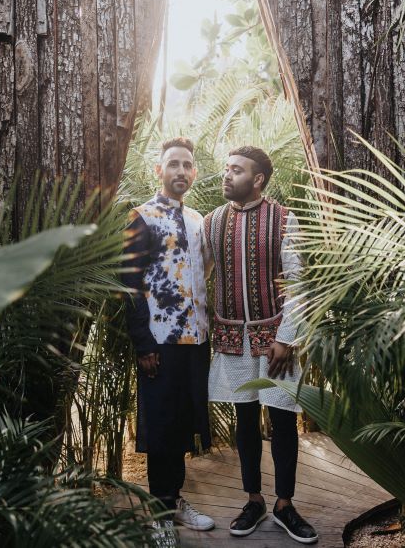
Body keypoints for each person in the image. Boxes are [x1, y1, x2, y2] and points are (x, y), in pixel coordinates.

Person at [203, 146, 318, 544]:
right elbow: (199, 278)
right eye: (226, 168)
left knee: (283, 420)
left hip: (276, 340)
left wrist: (287, 339)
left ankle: (285, 505)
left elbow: (298, 282)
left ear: (258, 180)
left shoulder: (285, 219)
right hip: (233, 340)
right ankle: (254, 500)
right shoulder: (211, 222)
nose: (227, 175)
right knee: (245, 421)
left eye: (236, 170)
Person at [123, 137, 216, 543]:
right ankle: (159, 511)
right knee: (160, 425)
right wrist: (142, 344)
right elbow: (126, 284)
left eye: (187, 165)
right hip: (159, 341)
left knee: (180, 425)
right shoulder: (141, 217)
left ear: (194, 173)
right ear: (159, 171)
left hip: (195, 341)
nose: (181, 170)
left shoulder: (199, 220)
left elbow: (204, 273)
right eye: (173, 164)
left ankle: (174, 501)